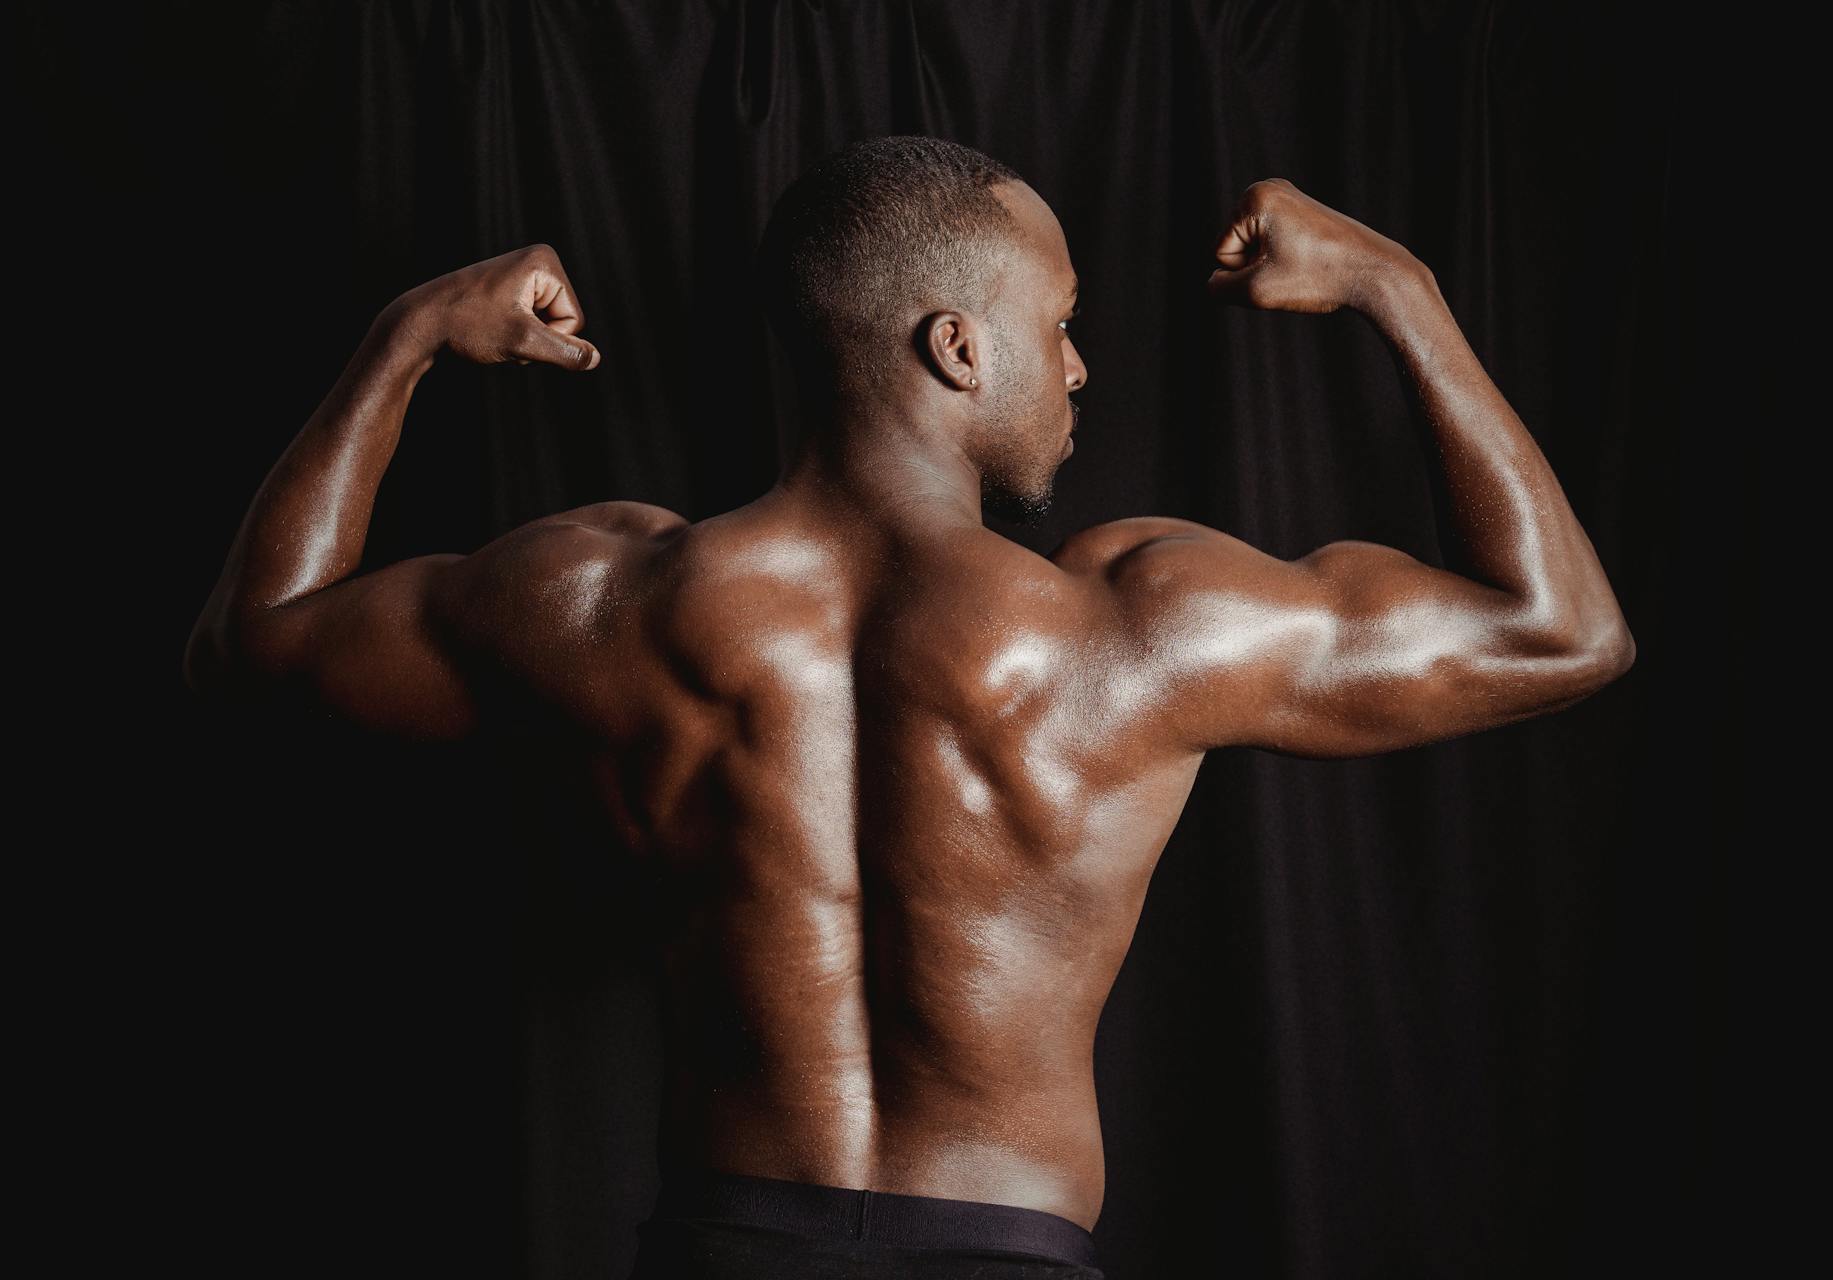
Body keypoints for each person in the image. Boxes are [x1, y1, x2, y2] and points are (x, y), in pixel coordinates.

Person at [182, 135, 1633, 1279]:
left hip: (728, 1247)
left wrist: (406, 338)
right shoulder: (1138, 629)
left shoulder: (608, 599)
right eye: (1058, 324)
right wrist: (1401, 290)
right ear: (956, 347)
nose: (1079, 366)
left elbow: (253, 643)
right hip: (1007, 1256)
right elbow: (1561, 633)